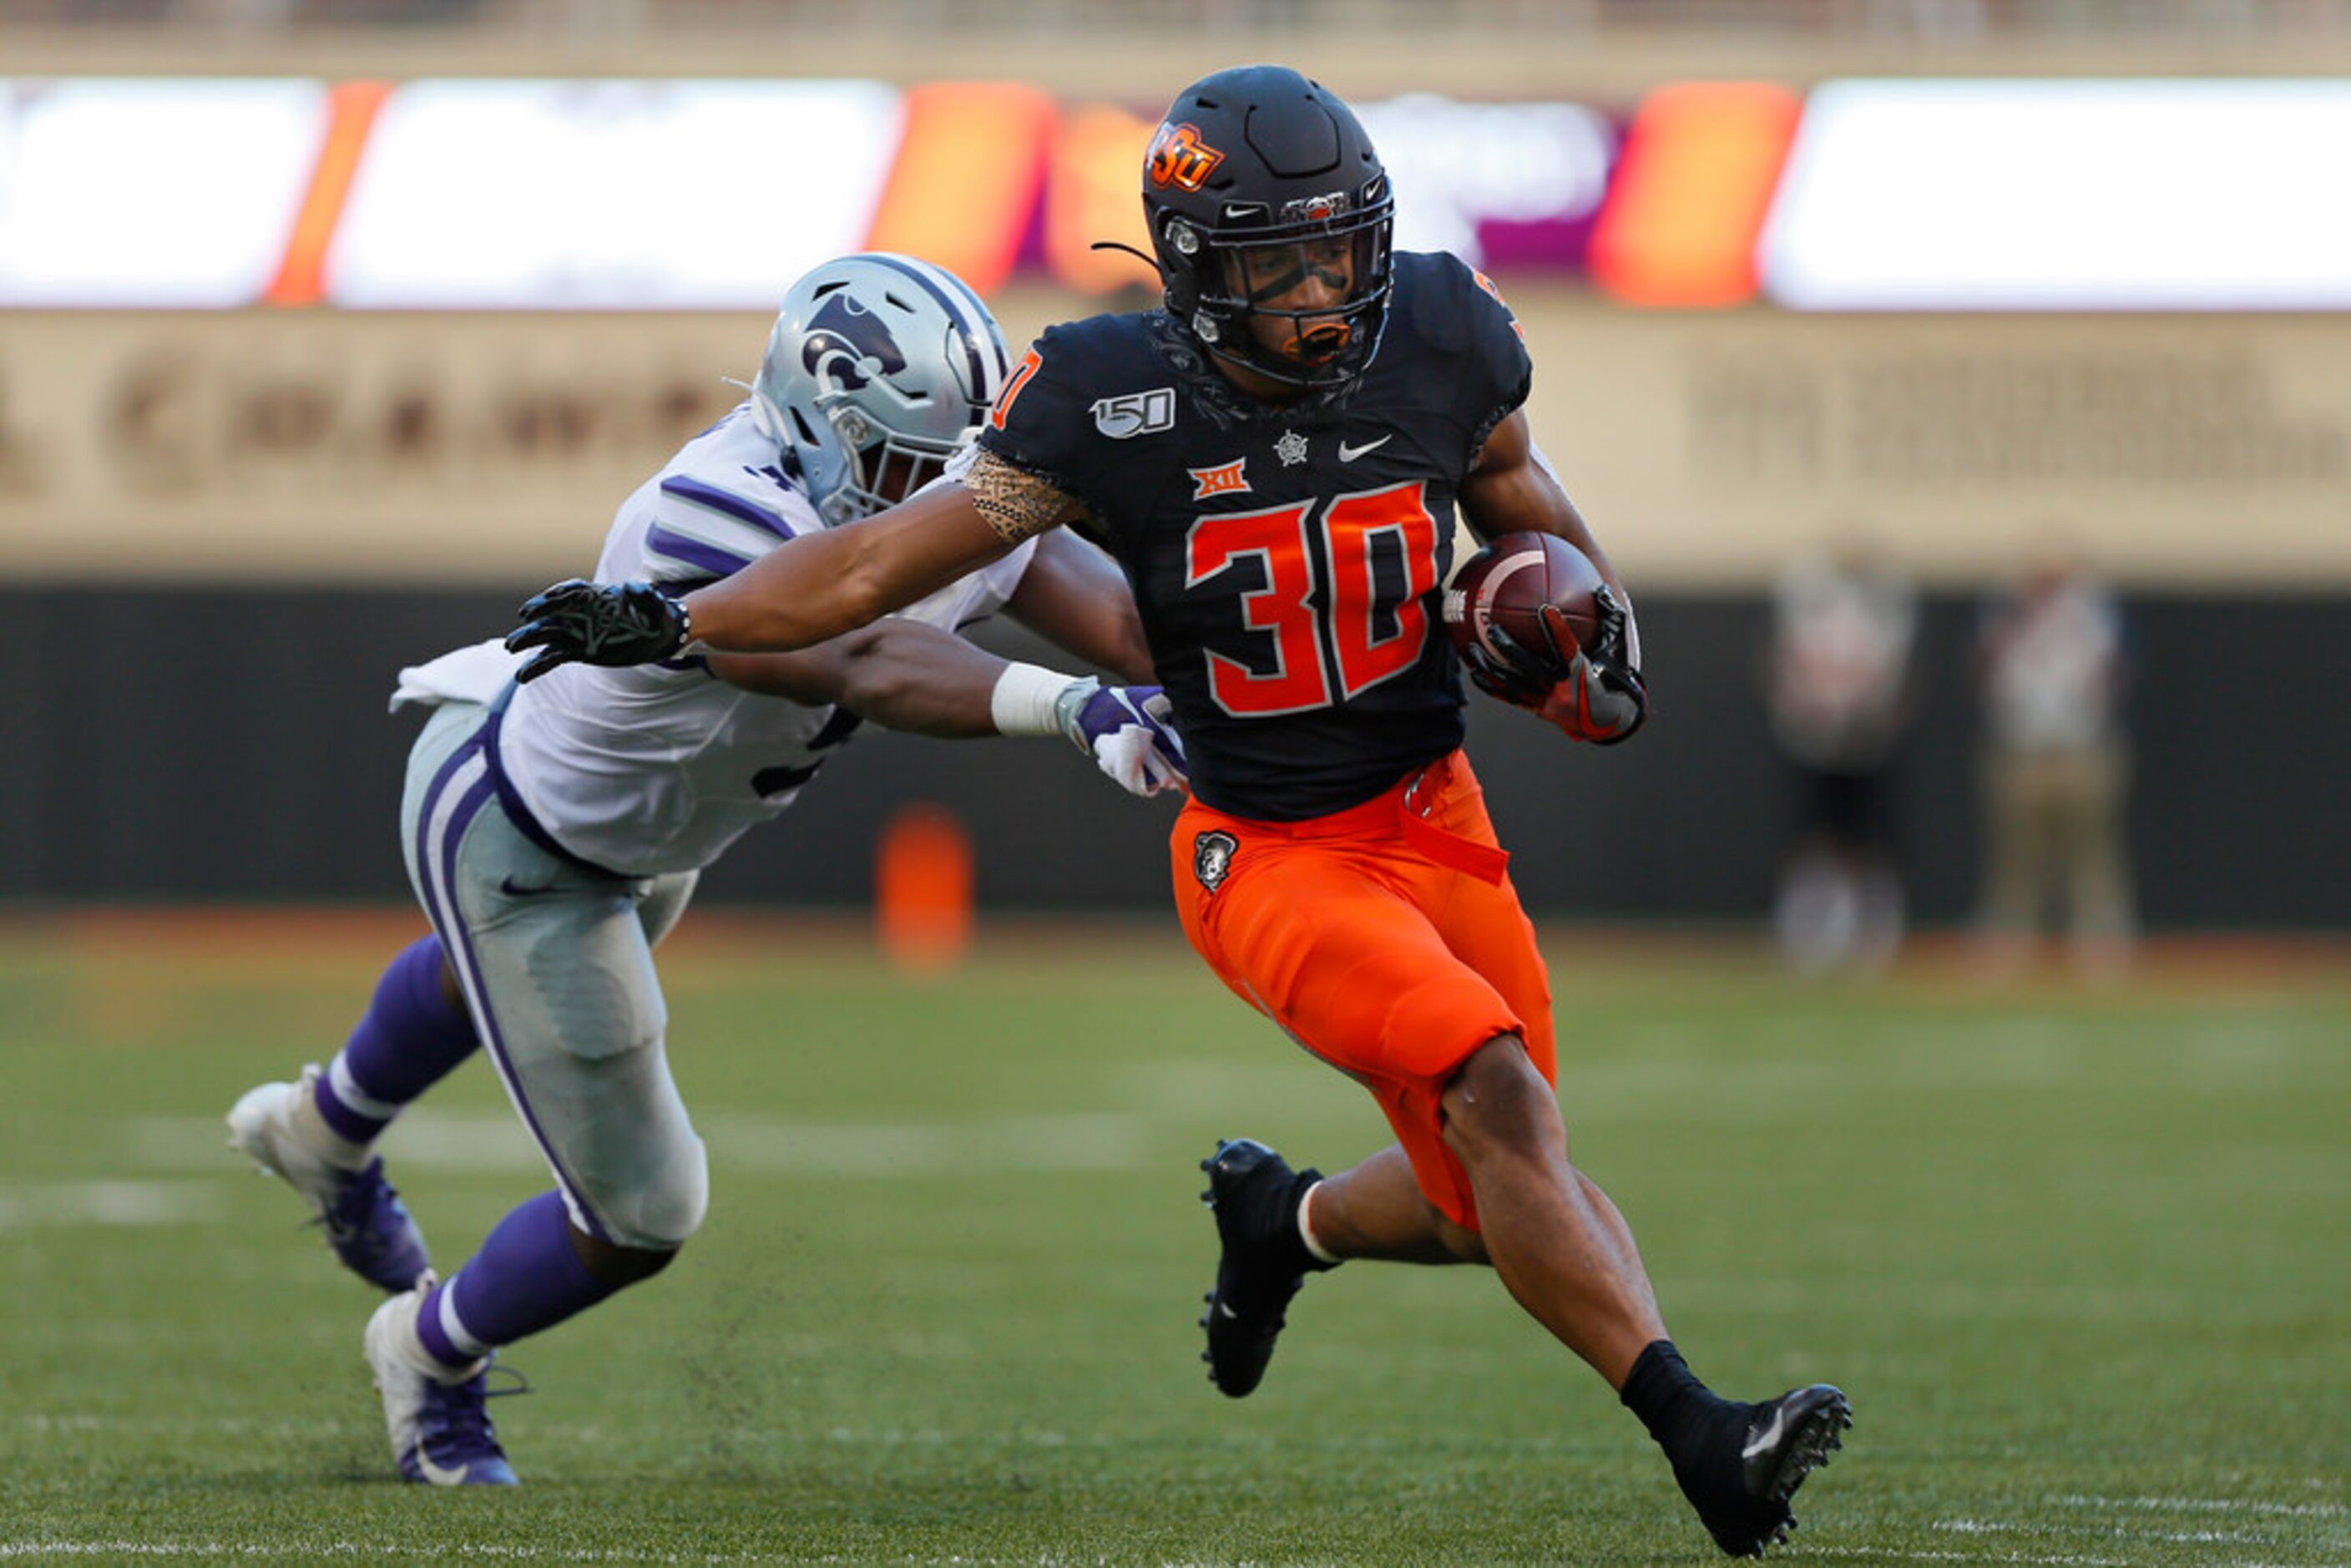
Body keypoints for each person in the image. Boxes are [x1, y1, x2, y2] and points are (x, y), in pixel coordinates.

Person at [502, 68, 1850, 1555]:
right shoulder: (1106, 400)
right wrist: (677, 618)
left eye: (1339, 250)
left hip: (1433, 807)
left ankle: (1288, 1223)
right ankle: (1703, 1435)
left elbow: (1520, 494)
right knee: (1503, 1103)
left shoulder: (1450, 334)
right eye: (1279, 261)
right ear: (1199, 269)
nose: (1322, 292)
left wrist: (1590, 624)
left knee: (1486, 1197)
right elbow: (878, 565)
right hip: (1263, 848)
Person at [226, 252, 1182, 1487]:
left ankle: (324, 1129)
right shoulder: (710, 513)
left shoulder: (940, 472)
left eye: (968, 455)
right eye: (913, 462)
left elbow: (1118, 621)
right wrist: (1079, 709)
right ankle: (426, 1349)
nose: (954, 490)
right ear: (818, 421)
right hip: (525, 834)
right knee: (645, 1211)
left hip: (654, 828)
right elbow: (863, 658)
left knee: (487, 987)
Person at [1974, 549, 2136, 979]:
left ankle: (2101, 940)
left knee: (2091, 853)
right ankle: (2010, 937)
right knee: (2017, 855)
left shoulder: (2092, 612)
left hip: (2080, 745)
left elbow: (2121, 664)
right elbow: (1982, 663)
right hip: (2022, 746)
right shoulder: (2006, 613)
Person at [1761, 542, 1921, 974]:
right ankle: (1812, 932)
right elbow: (1786, 662)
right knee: (1815, 838)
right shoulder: (1809, 607)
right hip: (1814, 737)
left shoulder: (1883, 610)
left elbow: (1893, 671)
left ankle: (1871, 933)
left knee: (1868, 839)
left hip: (1865, 740)